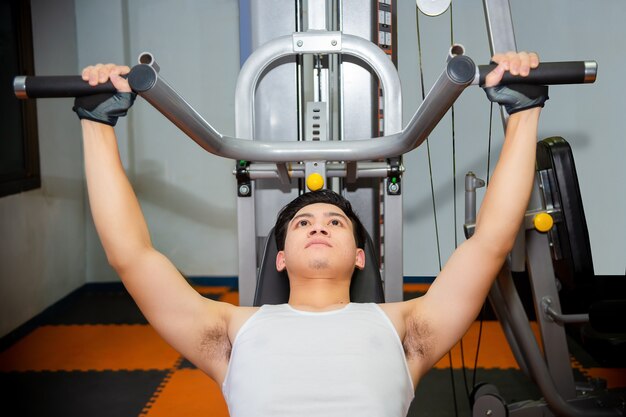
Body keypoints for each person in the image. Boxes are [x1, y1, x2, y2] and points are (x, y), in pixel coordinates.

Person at [75, 51, 546, 417]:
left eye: (335, 222)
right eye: (303, 223)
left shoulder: (406, 330)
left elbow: (490, 244)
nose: (318, 224)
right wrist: (96, 125)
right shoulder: (228, 333)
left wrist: (523, 114)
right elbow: (131, 256)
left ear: (361, 257)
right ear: (279, 258)